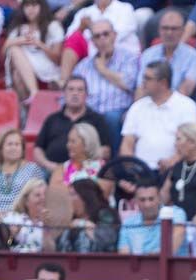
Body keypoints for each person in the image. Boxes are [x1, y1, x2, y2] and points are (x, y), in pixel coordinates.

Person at [71, 19, 138, 155]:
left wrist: (102, 69)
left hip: (118, 113)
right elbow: (71, 89)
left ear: (114, 35)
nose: (102, 39)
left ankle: (114, 165)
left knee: (111, 118)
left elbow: (129, 84)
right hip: (90, 113)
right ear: (93, 41)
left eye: (105, 34)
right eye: (97, 36)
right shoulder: (83, 66)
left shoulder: (129, 58)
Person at [122, 60, 196, 177]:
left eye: (147, 79)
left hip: (174, 170)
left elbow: (191, 142)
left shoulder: (186, 106)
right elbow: (127, 143)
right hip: (139, 171)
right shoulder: (137, 107)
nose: (142, 83)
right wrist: (131, 171)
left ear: (163, 83)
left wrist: (172, 162)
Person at [32, 77, 112, 175]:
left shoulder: (97, 119)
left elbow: (106, 150)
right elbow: (38, 148)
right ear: (64, 93)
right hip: (51, 170)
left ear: (86, 95)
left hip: (84, 171)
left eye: (80, 90)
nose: (75, 93)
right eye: (71, 89)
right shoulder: (52, 119)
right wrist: (48, 165)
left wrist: (83, 164)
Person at [58, 0, 140, 86]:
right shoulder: (85, 12)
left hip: (121, 55)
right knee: (74, 39)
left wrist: (93, 30)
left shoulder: (125, 8)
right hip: (92, 55)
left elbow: (118, 35)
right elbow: (69, 37)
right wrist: (81, 28)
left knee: (104, 37)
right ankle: (63, 81)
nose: (102, 38)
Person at [4, 0, 64, 105]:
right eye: (27, 6)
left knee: (14, 51)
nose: (30, 9)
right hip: (24, 66)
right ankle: (29, 109)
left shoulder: (53, 26)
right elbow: (3, 51)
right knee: (16, 72)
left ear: (42, 7)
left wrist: (39, 44)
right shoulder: (19, 27)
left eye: (34, 5)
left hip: (47, 65)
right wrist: (19, 40)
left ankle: (34, 93)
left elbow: (56, 58)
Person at [0, 129, 43, 216]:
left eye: (17, 144)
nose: (13, 148)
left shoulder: (32, 170)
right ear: (1, 148)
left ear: (22, 149)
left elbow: (40, 197)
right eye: (9, 144)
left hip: (22, 220)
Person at [136, 9, 196, 99]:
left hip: (177, 107)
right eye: (165, 28)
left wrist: (162, 106)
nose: (169, 33)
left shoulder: (192, 56)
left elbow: (185, 91)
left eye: (174, 29)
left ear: (182, 31)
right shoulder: (148, 54)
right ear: (159, 30)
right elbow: (141, 88)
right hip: (149, 105)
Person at [118, 180, 187, 255]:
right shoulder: (128, 223)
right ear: (135, 200)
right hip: (139, 266)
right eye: (142, 200)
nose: (147, 205)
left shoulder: (175, 214)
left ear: (159, 199)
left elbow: (172, 248)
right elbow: (124, 255)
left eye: (151, 199)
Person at [54, 177, 120, 252]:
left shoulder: (105, 213)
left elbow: (107, 240)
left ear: (86, 197)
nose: (69, 199)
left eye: (72, 194)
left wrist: (82, 224)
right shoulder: (69, 218)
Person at [46, 122, 106, 188]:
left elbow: (102, 194)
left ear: (87, 143)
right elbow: (54, 193)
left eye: (73, 141)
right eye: (68, 141)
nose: (68, 145)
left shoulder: (103, 168)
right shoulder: (62, 169)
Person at [1, 178, 51, 252]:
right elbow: (7, 245)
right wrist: (12, 236)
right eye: (38, 195)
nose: (43, 198)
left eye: (45, 195)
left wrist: (46, 230)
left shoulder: (51, 221)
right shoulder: (13, 218)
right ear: (26, 200)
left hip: (41, 262)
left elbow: (50, 251)